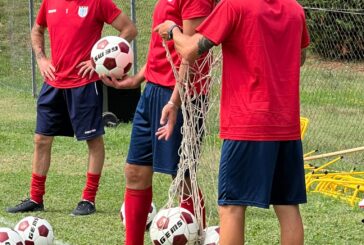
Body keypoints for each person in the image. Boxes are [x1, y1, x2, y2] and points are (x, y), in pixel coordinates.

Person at [155, 0, 310, 244]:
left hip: (246, 124)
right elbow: (300, 57)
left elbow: (190, 49)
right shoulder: (295, 9)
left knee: (231, 207)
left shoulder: (234, 6)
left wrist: (173, 29)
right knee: (288, 206)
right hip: (286, 125)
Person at [6, 0, 137, 216]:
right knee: (41, 139)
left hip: (84, 85)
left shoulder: (98, 2)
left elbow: (129, 29)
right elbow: (37, 30)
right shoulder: (50, 2)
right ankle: (35, 197)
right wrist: (41, 60)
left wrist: (98, 60)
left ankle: (88, 199)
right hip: (53, 83)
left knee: (93, 140)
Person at [101, 0, 215, 244]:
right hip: (153, 92)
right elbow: (160, 49)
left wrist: (174, 101)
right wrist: (138, 80)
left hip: (183, 96)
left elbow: (193, 52)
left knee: (183, 178)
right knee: (134, 171)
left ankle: (195, 238)